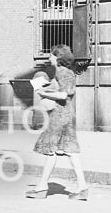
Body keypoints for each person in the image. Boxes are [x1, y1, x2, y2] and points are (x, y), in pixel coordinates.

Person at [27, 44, 88, 200]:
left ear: (58, 58)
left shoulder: (64, 72)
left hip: (60, 116)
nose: (49, 58)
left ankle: (42, 187)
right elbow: (55, 89)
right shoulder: (63, 73)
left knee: (51, 149)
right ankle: (82, 187)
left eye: (52, 56)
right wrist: (42, 86)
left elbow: (63, 95)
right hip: (66, 115)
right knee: (69, 151)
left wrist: (42, 92)